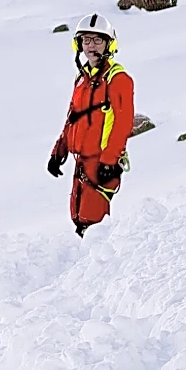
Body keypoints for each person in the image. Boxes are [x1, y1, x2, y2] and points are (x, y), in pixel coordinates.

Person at [48, 14, 135, 238]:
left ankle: (101, 257)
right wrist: (59, 150)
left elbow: (123, 123)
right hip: (81, 161)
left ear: (109, 44)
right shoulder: (81, 78)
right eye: (86, 40)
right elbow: (72, 117)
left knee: (93, 219)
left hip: (101, 161)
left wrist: (109, 160)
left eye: (97, 40)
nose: (91, 46)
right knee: (78, 216)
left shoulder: (118, 78)